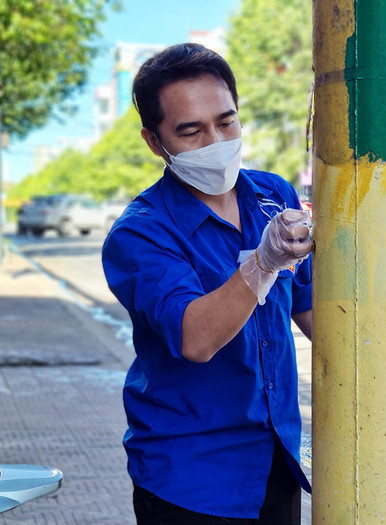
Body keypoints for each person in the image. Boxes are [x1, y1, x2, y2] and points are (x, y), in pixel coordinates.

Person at [102, 43, 313, 524]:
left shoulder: (271, 195)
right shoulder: (139, 233)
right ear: (155, 142)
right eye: (191, 131)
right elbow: (195, 337)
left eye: (226, 122)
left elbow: (311, 308)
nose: (216, 141)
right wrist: (262, 263)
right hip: (189, 477)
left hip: (275, 457)